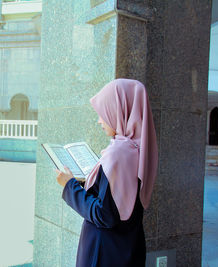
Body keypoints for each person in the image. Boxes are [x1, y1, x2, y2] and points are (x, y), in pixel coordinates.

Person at [55, 78, 158, 267]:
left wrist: (69, 186)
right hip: (128, 248)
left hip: (103, 253)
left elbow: (104, 215)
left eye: (103, 113)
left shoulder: (118, 153)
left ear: (118, 111)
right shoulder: (139, 149)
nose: (99, 120)